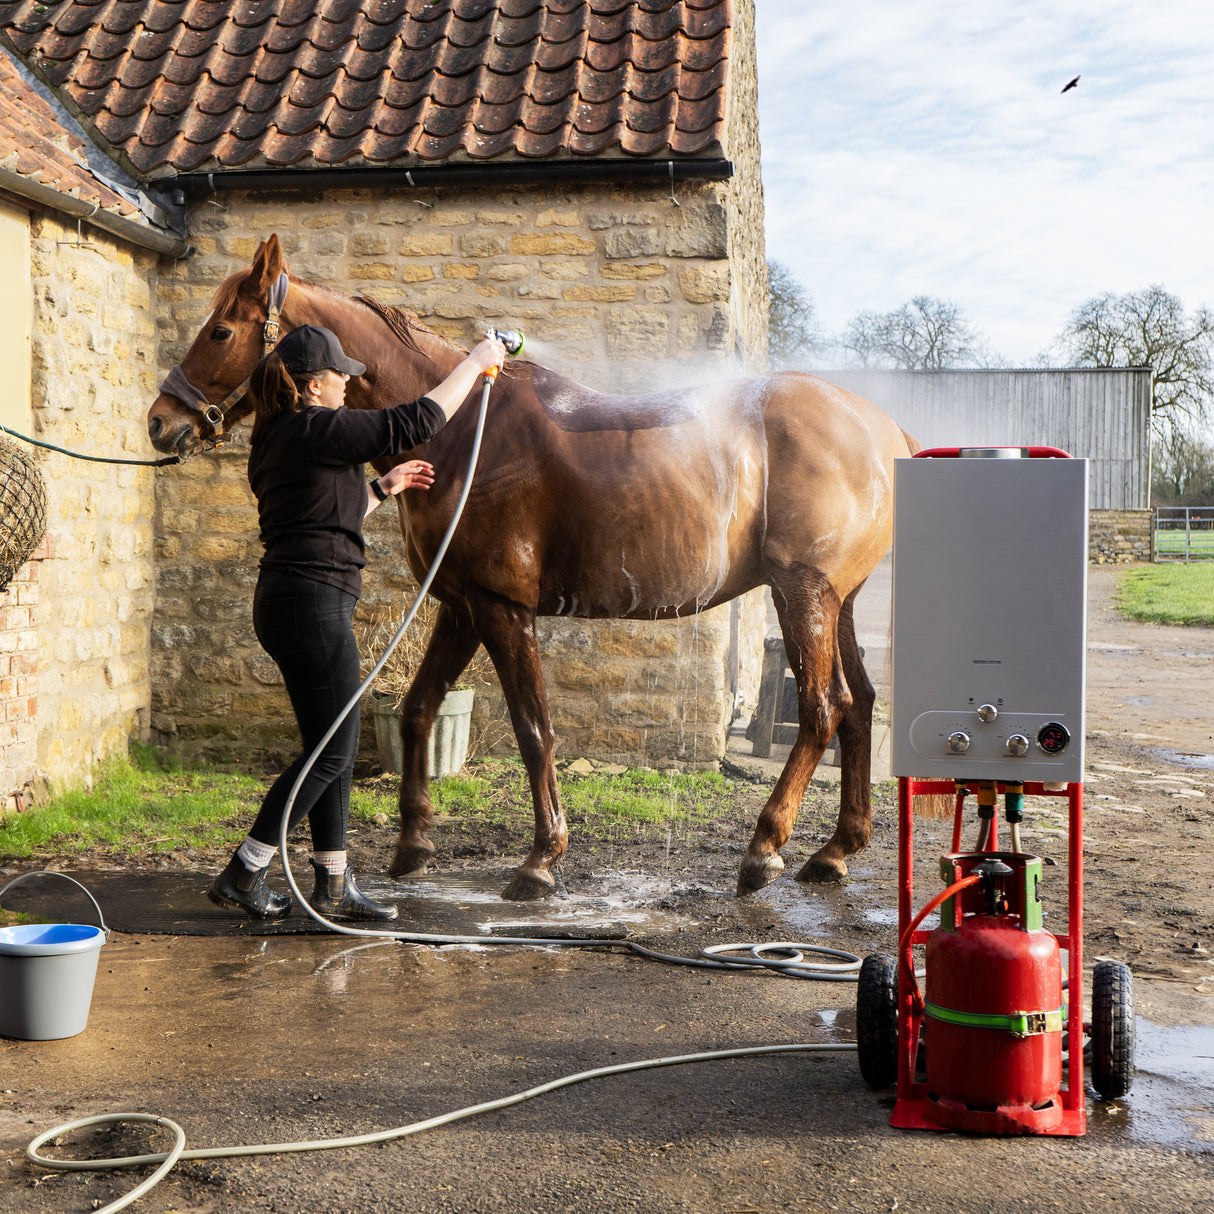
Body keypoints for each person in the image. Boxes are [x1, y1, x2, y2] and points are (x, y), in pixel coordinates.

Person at [207, 324, 506, 921]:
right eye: (339, 372)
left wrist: (382, 487)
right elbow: (413, 422)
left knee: (328, 746)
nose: (349, 380)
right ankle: (245, 870)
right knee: (335, 752)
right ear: (313, 385)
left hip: (295, 600)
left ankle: (334, 885)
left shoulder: (280, 437)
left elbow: (321, 515)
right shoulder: (316, 427)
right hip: (310, 603)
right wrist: (474, 363)